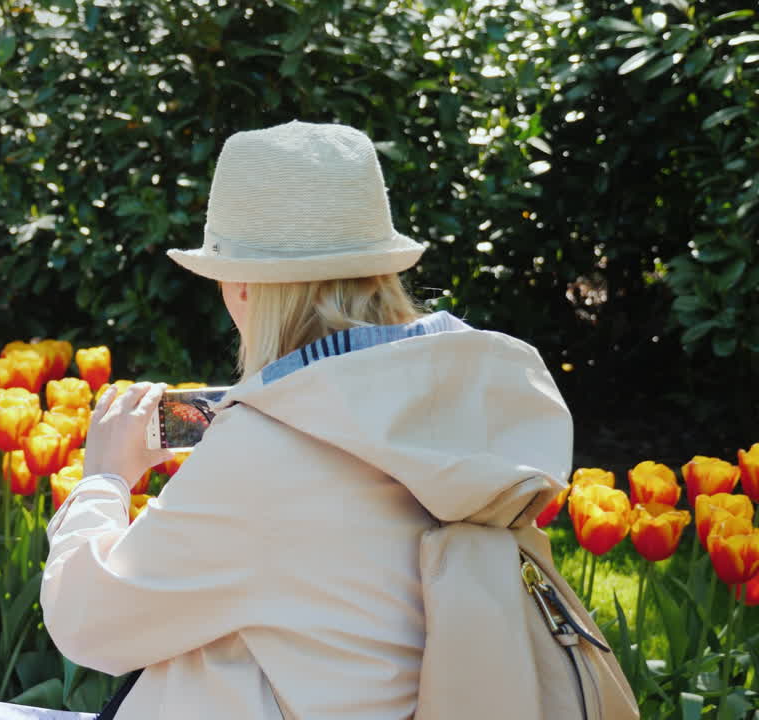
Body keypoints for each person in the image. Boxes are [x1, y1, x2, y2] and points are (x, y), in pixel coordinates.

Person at [40, 121, 574, 719]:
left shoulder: (269, 453)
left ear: (240, 284)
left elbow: (91, 623)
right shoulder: (471, 401)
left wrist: (103, 480)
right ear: (381, 268)